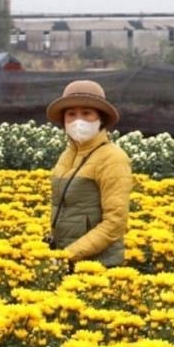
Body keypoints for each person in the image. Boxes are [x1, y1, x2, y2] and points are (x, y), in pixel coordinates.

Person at [45, 80, 133, 267]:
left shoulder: (113, 158)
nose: (78, 121)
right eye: (71, 114)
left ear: (100, 118)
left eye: (86, 113)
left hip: (98, 266)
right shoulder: (66, 155)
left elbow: (115, 224)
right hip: (65, 260)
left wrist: (69, 254)